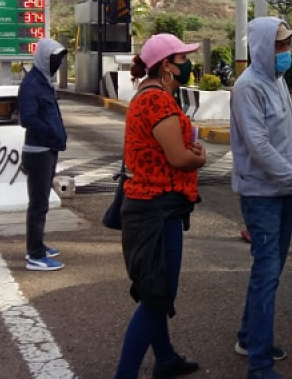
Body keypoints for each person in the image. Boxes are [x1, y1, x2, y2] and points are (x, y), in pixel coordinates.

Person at [230, 18, 292, 379]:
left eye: (288, 45)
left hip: (282, 191)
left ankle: (248, 336)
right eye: (280, 45)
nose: (287, 52)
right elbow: (258, 146)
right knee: (267, 272)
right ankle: (259, 363)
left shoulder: (277, 81)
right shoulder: (248, 88)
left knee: (268, 273)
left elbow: (286, 125)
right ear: (260, 47)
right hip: (261, 194)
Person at [114, 33, 207, 379]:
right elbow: (179, 158)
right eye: (182, 59)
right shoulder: (158, 102)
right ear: (167, 66)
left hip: (150, 206)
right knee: (157, 296)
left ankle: (165, 360)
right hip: (156, 210)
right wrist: (200, 158)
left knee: (155, 290)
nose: (187, 64)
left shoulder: (150, 97)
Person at [18, 38, 68, 271]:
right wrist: (50, 133)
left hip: (48, 149)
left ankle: (37, 245)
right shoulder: (31, 84)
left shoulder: (44, 82)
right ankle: (35, 255)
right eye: (54, 59)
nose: (57, 63)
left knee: (42, 203)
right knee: (38, 204)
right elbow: (27, 118)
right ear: (44, 58)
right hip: (38, 151)